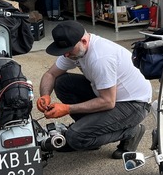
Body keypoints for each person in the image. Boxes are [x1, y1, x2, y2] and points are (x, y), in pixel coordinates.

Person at [36, 21, 152, 158]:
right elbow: (51, 74)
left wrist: (67, 108)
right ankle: (91, 134)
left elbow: (108, 102)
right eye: (64, 51)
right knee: (62, 83)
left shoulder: (100, 58)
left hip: (134, 105)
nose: (66, 55)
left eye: (68, 50)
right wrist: (45, 96)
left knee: (74, 137)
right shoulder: (75, 50)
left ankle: (131, 131)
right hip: (108, 95)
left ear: (84, 41)